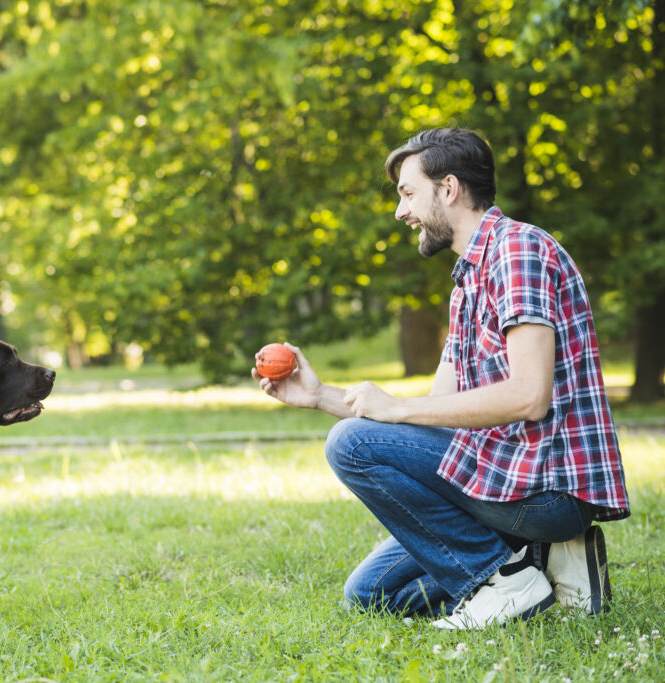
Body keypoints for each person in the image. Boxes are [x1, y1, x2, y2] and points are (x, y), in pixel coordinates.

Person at [254, 127, 629, 630]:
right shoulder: (467, 282)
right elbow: (434, 415)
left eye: (408, 194)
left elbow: (528, 397)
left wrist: (393, 409)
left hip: (546, 489)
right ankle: (543, 566)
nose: (400, 211)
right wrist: (320, 396)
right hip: (500, 477)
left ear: (448, 189)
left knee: (350, 444)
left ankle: (507, 581)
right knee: (371, 595)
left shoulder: (518, 251)